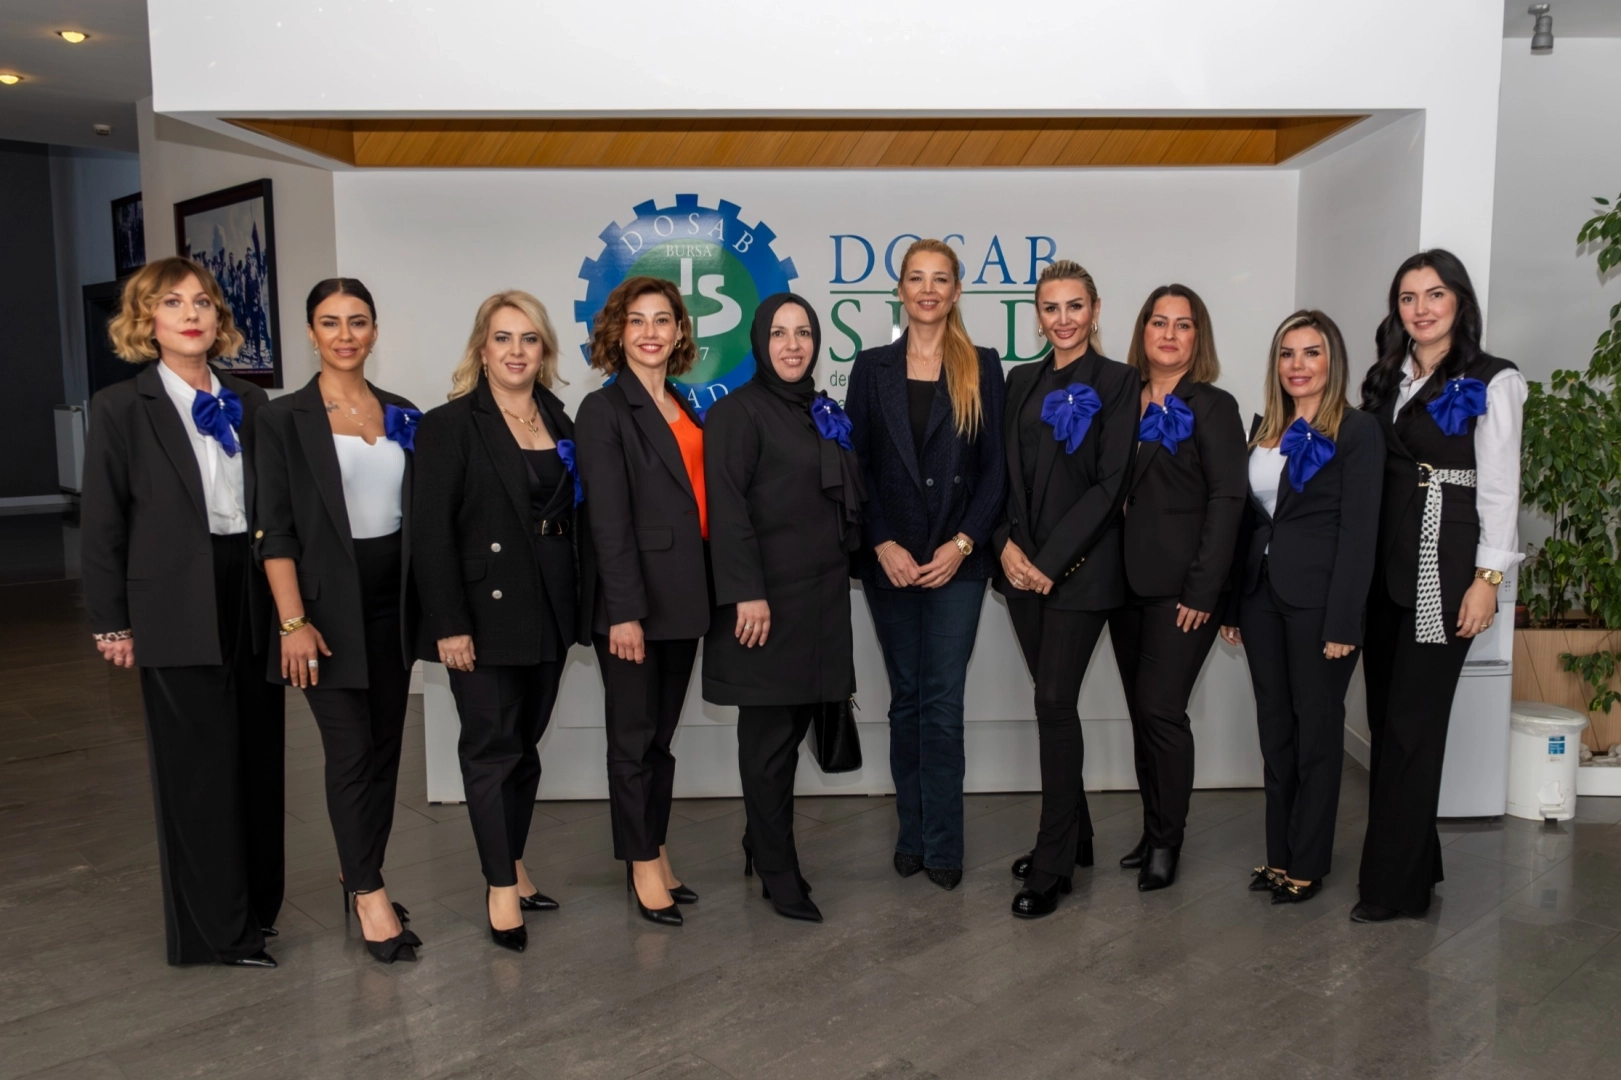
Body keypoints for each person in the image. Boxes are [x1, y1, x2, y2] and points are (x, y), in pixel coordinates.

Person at [81, 256, 284, 968]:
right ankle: (215, 932)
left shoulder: (252, 401)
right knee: (197, 770)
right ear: (146, 320)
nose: (191, 314)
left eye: (202, 302)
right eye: (172, 303)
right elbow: (103, 521)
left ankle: (259, 909)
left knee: (258, 757)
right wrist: (111, 620)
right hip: (171, 599)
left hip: (251, 591)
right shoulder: (120, 407)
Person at [1352, 251, 1525, 923]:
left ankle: (1393, 890)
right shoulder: (1386, 375)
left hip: (1444, 570)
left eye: (1434, 294)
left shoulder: (1493, 379)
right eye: (1407, 297)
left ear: (1459, 302)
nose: (1420, 309)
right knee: (1386, 721)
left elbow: (1500, 489)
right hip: (1380, 568)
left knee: (1412, 729)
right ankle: (1418, 862)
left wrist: (1487, 581)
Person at [413, 290, 588, 952]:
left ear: (544, 351)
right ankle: (498, 887)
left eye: (529, 339)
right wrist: (448, 624)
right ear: (481, 350)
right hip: (482, 617)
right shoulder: (450, 424)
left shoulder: (560, 419)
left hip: (550, 608)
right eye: (503, 338)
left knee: (523, 748)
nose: (517, 351)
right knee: (490, 751)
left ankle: (513, 863)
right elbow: (431, 534)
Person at [255, 278, 423, 962]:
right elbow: (275, 529)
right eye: (330, 322)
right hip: (324, 611)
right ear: (311, 333)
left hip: (393, 607)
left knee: (384, 749)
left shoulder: (402, 411)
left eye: (358, 321)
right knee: (351, 751)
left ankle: (359, 870)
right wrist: (292, 623)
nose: (345, 335)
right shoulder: (282, 419)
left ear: (374, 331)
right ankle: (370, 894)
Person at [845, 238, 1007, 890]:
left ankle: (942, 843)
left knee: (940, 703)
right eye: (917, 278)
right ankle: (909, 835)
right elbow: (854, 466)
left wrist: (963, 542)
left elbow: (997, 470)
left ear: (957, 291)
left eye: (941, 279)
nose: (928, 289)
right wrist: (880, 541)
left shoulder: (982, 365)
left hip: (956, 564)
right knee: (905, 700)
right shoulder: (870, 367)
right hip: (890, 563)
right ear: (900, 290)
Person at [702, 293, 864, 923]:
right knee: (769, 744)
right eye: (778, 333)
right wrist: (747, 592)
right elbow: (727, 508)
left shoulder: (819, 410)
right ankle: (778, 869)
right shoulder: (737, 413)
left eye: (803, 333)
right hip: (763, 606)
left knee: (792, 732)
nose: (792, 345)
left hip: (819, 600)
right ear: (758, 342)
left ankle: (758, 838)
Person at [1218, 311, 1383, 905]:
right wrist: (1233, 604)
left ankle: (1308, 863)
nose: (1298, 365)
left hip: (1321, 604)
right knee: (1275, 731)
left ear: (1332, 360)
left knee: (1315, 733)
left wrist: (1345, 620)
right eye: (1287, 353)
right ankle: (1279, 854)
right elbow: (1247, 522)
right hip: (1261, 597)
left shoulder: (1358, 430)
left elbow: (1360, 532)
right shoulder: (1264, 428)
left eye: (1311, 352)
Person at [993, 261, 1137, 919]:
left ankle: (1052, 863)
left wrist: (1050, 562)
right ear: (1038, 316)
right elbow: (1000, 473)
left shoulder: (1119, 382)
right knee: (1051, 704)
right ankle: (1074, 834)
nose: (1063, 319)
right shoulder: (1019, 380)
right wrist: (1004, 543)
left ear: (1095, 310)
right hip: (1020, 570)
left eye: (1074, 306)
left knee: (1053, 701)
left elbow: (1110, 486)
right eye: (1050, 308)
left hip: (1082, 572)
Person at [575, 276, 708, 928]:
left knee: (659, 740)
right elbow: (608, 522)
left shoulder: (682, 403)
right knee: (632, 742)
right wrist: (622, 612)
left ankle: (654, 846)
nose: (650, 332)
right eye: (637, 320)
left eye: (662, 320)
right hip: (634, 606)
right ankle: (640, 863)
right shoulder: (603, 410)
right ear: (617, 332)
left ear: (680, 331)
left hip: (684, 597)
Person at [1110, 284, 1247, 892]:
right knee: (1143, 715)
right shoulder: (1121, 398)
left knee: (1163, 712)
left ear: (1198, 337)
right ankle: (1152, 828)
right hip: (1122, 585)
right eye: (1159, 322)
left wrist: (1203, 590)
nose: (1169, 334)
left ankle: (1169, 841)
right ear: (1143, 331)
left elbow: (1228, 499)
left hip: (1183, 591)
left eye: (1183, 324)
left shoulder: (1213, 406)